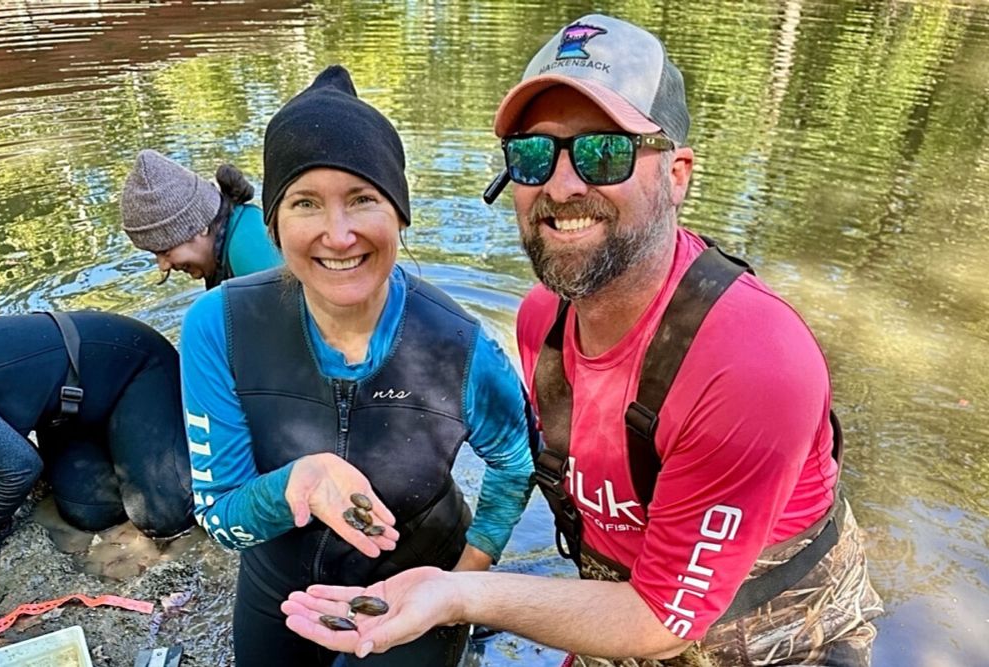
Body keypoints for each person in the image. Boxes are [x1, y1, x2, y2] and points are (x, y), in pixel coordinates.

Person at [280, 15, 885, 667]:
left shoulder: (752, 363)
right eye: (535, 154)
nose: (562, 186)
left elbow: (661, 616)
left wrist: (460, 594)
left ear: (677, 173)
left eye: (604, 151)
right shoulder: (544, 320)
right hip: (631, 607)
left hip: (777, 640)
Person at [179, 64, 535, 666]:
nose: (337, 234)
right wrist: (298, 485)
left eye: (362, 199)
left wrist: (465, 583)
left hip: (418, 583)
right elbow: (218, 514)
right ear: (273, 222)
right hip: (277, 583)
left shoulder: (460, 344)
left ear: (399, 212)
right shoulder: (219, 325)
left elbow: (515, 463)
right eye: (306, 203)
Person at [0, 311, 194, 566]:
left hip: (131, 364)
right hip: (63, 412)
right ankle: (121, 445)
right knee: (90, 514)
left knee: (165, 518)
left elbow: (19, 468)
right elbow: (6, 450)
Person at [121, 149, 282, 288]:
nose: (163, 266)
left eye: (165, 251)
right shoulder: (236, 232)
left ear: (200, 226)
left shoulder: (254, 256)